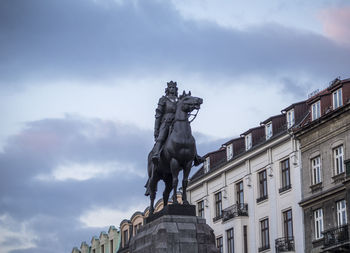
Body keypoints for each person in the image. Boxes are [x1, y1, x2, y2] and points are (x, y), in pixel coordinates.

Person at [151, 81, 203, 166]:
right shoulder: (163, 99)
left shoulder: (179, 100)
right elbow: (158, 115)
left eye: (173, 88)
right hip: (166, 122)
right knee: (161, 137)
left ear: (176, 89)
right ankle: (156, 154)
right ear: (167, 89)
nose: (172, 89)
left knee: (189, 137)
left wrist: (193, 106)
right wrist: (156, 129)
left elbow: (185, 108)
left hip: (178, 122)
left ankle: (196, 157)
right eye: (170, 87)